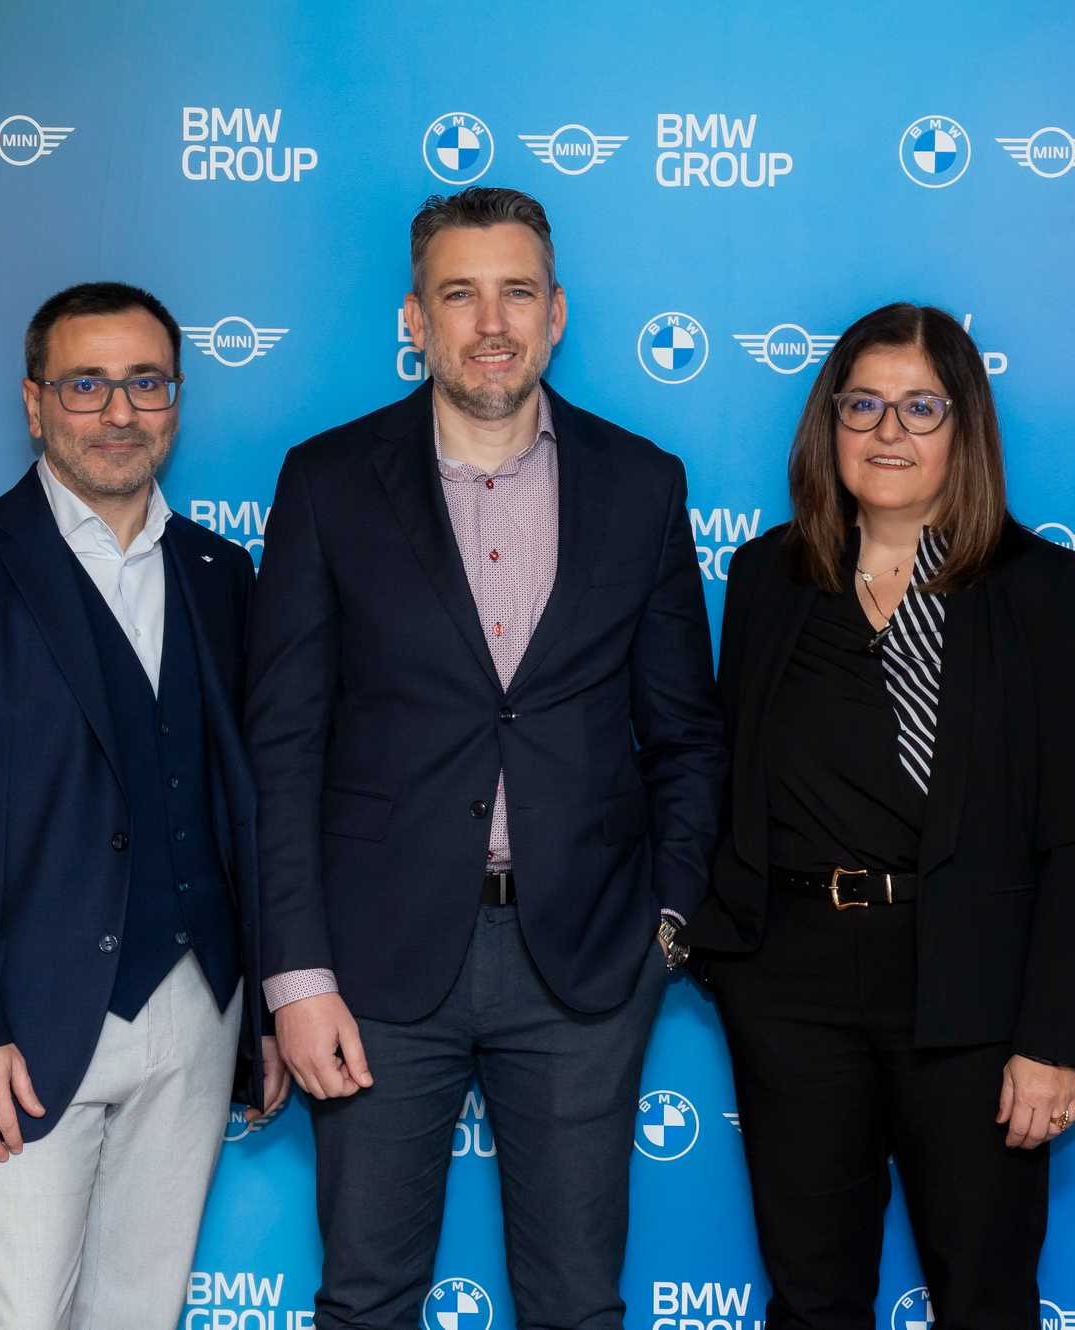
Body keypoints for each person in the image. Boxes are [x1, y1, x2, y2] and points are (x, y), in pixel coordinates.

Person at [244, 187, 723, 1330]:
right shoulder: (326, 481)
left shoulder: (642, 482)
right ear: (415, 317)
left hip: (583, 962)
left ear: (556, 313)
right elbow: (283, 745)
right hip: (371, 966)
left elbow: (684, 734)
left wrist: (663, 930)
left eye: (517, 292)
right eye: (459, 294)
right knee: (366, 1298)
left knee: (575, 1305)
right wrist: (296, 977)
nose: (491, 322)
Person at [683, 303, 1075, 1330]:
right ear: (827, 423)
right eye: (862, 405)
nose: (888, 432)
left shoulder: (1042, 588)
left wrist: (1053, 1038)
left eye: (921, 407)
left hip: (971, 997)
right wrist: (727, 958)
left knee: (984, 1300)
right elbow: (726, 774)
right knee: (811, 1300)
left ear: (965, 426)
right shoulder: (768, 575)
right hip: (793, 993)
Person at [0, 280, 287, 1329]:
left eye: (146, 383)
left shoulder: (221, 572)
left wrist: (267, 1006)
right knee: (18, 1313)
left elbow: (245, 808)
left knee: (141, 1311)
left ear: (176, 400)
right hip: (22, 1021)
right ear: (35, 401)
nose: (119, 411)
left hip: (200, 1006)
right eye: (86, 384)